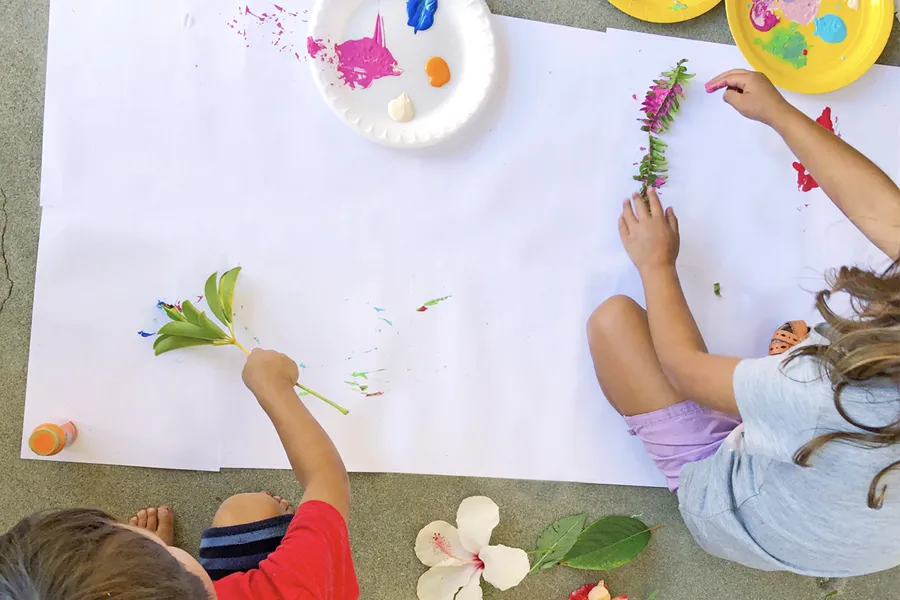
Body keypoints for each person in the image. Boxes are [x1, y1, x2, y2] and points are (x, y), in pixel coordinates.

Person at [587, 69, 900, 577]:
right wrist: (778, 113)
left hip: (742, 511)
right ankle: (775, 415)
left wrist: (656, 265)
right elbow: (884, 212)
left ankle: (754, 431)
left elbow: (686, 369)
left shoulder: (832, 398)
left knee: (612, 322)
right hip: (845, 510)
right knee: (797, 361)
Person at [0, 349, 358, 599]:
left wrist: (153, 570)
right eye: (166, 554)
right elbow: (327, 482)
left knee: (241, 514)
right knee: (246, 510)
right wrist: (274, 388)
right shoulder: (296, 591)